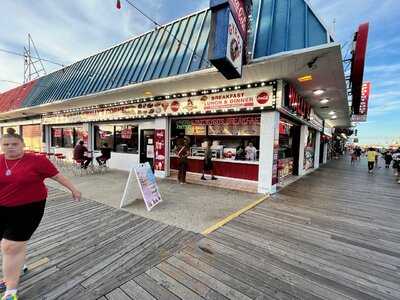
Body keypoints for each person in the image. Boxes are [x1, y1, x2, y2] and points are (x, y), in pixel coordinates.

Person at [0, 128, 81, 300]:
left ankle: (10, 290)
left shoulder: (37, 160)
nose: (10, 147)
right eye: (6, 144)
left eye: (15, 144)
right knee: (10, 246)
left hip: (28, 208)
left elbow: (58, 177)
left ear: (23, 145)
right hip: (2, 207)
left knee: (10, 246)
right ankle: (17, 264)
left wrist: (74, 190)